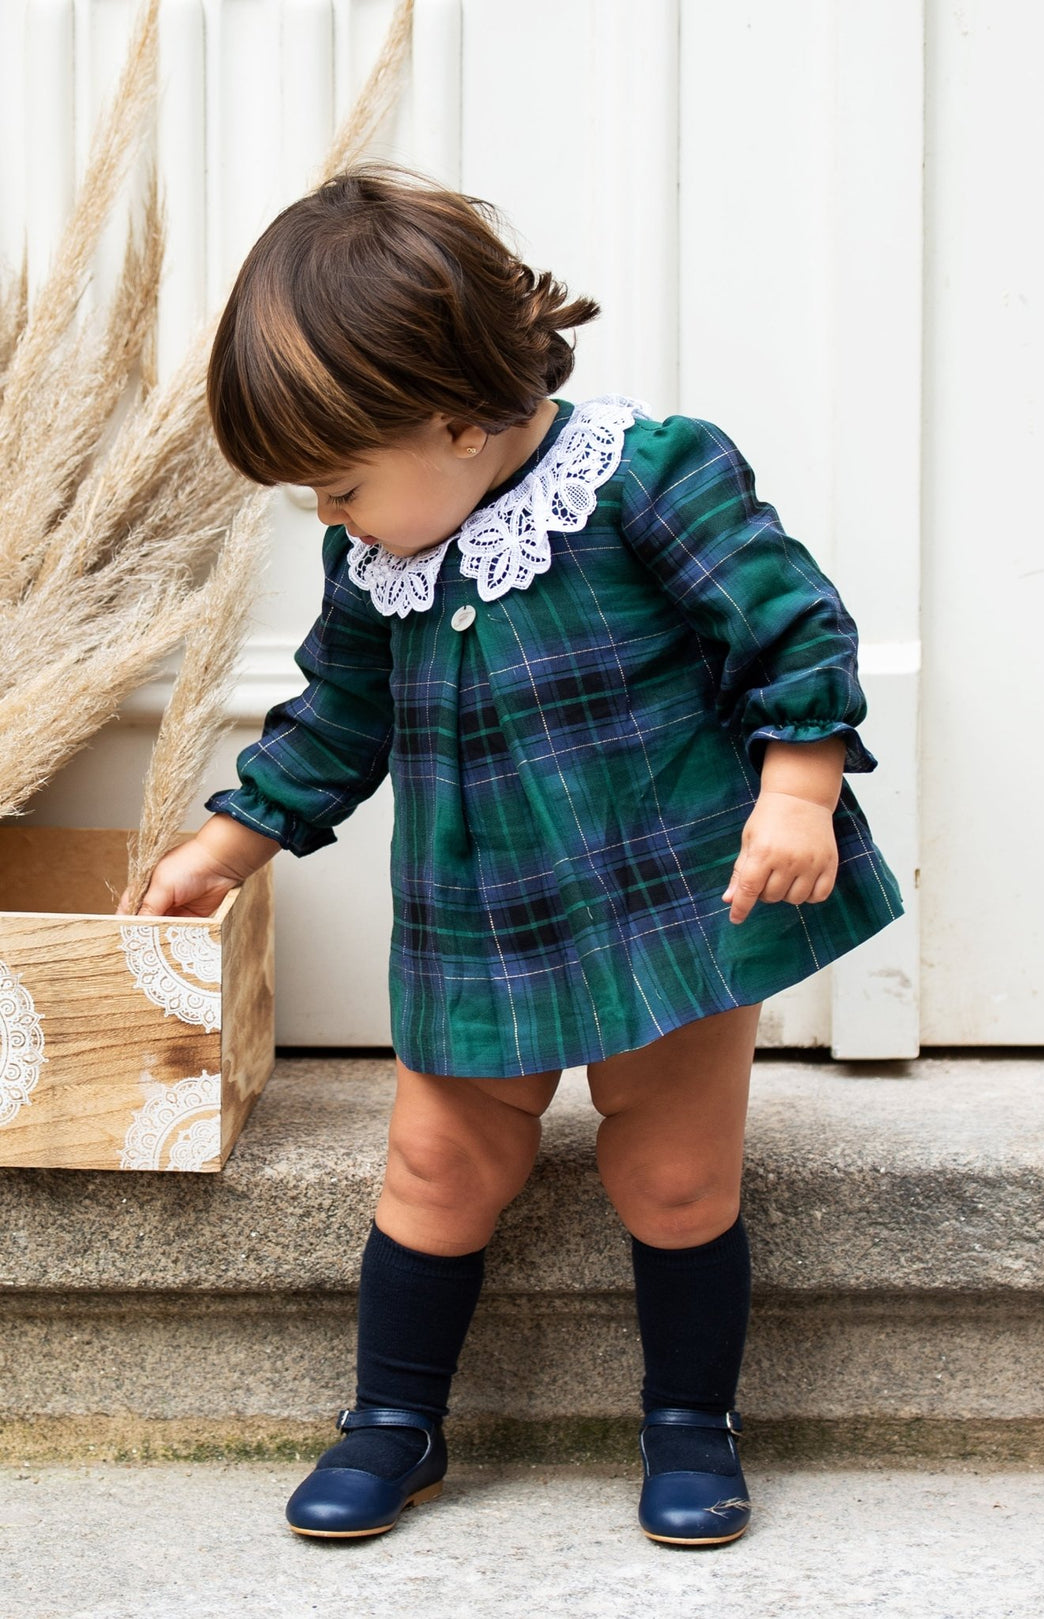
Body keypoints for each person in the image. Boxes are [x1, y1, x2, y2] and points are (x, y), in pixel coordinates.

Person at [119, 166, 902, 1546]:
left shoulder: (645, 476)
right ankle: (394, 1418)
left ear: (458, 421)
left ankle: (686, 1422)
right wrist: (233, 840)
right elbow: (338, 715)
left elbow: (790, 625)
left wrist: (796, 785)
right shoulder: (379, 560)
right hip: (478, 920)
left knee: (670, 1171)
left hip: (672, 899)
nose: (331, 517)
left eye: (342, 482)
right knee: (434, 1164)